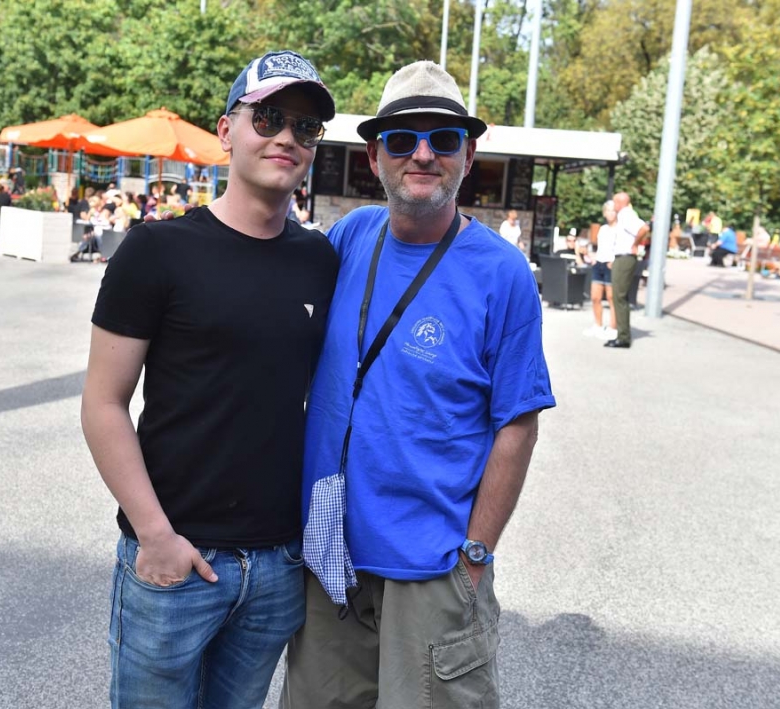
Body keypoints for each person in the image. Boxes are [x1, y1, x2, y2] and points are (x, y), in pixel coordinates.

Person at [281, 60, 554, 709]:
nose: (423, 154)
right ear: (375, 156)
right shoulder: (352, 236)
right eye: (402, 139)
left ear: (469, 155)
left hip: (432, 571)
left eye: (444, 139)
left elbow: (517, 423)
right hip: (330, 555)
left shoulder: (502, 274)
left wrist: (475, 557)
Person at [80, 50, 337, 709]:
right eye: (269, 118)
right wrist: (155, 535)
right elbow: (104, 403)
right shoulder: (157, 249)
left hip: (278, 565)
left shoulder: (319, 259)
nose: (286, 137)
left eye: (305, 126)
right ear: (227, 130)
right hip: (175, 559)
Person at [605, 191, 649, 349]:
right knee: (618, 296)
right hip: (622, 257)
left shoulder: (626, 214)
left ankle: (623, 337)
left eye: (614, 202)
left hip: (625, 257)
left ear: (619, 203)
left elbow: (644, 228)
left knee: (619, 297)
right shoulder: (625, 214)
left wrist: (635, 244)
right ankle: (622, 334)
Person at [585, 200, 618, 340]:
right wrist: (594, 257)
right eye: (608, 210)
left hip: (612, 264)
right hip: (599, 263)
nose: (611, 213)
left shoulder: (620, 229)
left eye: (613, 210)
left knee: (611, 298)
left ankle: (613, 328)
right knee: (595, 297)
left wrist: (614, 261)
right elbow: (600, 247)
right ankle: (598, 325)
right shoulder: (603, 229)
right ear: (604, 213)